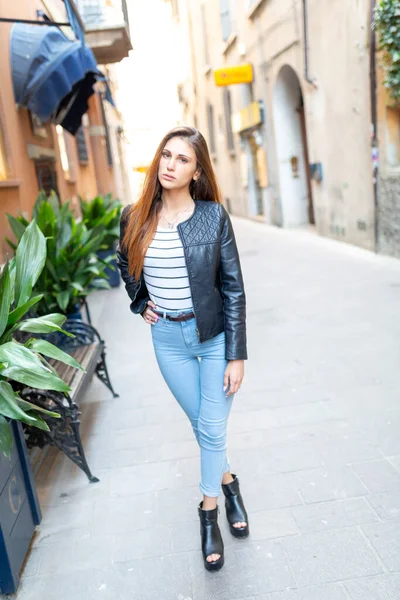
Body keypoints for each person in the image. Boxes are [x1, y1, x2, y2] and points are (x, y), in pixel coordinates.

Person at [117, 126, 248, 572]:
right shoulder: (134, 217)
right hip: (168, 342)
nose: (170, 165)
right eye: (166, 156)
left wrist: (237, 354)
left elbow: (233, 288)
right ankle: (230, 485)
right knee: (204, 426)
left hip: (212, 339)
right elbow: (125, 261)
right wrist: (140, 302)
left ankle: (209, 513)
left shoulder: (214, 217)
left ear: (196, 171)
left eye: (182, 160)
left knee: (210, 429)